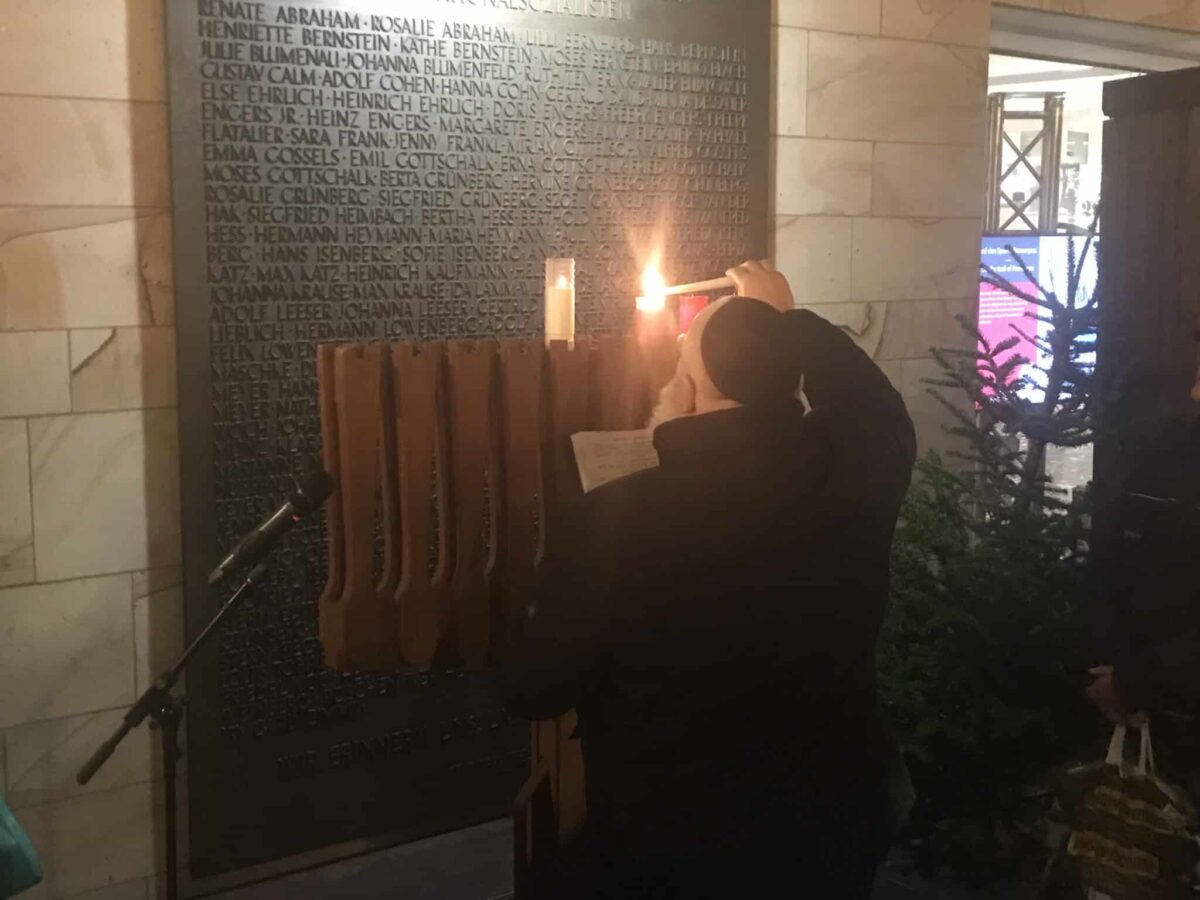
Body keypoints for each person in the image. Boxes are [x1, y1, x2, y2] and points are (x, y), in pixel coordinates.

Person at [501, 261, 917, 898]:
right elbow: (874, 406)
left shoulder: (614, 521)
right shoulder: (856, 472)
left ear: (687, 396)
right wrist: (785, 322)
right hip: (827, 836)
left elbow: (534, 688)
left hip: (670, 850)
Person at [1087, 341, 1200, 794]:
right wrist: (1114, 674)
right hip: (1152, 711)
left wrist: (1136, 680)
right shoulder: (1169, 449)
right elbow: (1111, 561)